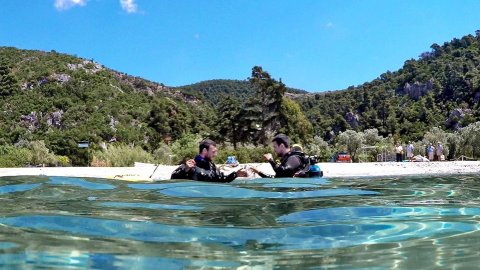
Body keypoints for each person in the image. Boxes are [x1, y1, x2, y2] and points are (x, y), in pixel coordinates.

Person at [171, 139, 247, 182]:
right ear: (204, 150)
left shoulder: (211, 166)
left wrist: (236, 174)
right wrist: (185, 169)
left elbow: (221, 180)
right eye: (213, 152)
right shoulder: (191, 165)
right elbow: (173, 178)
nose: (215, 154)